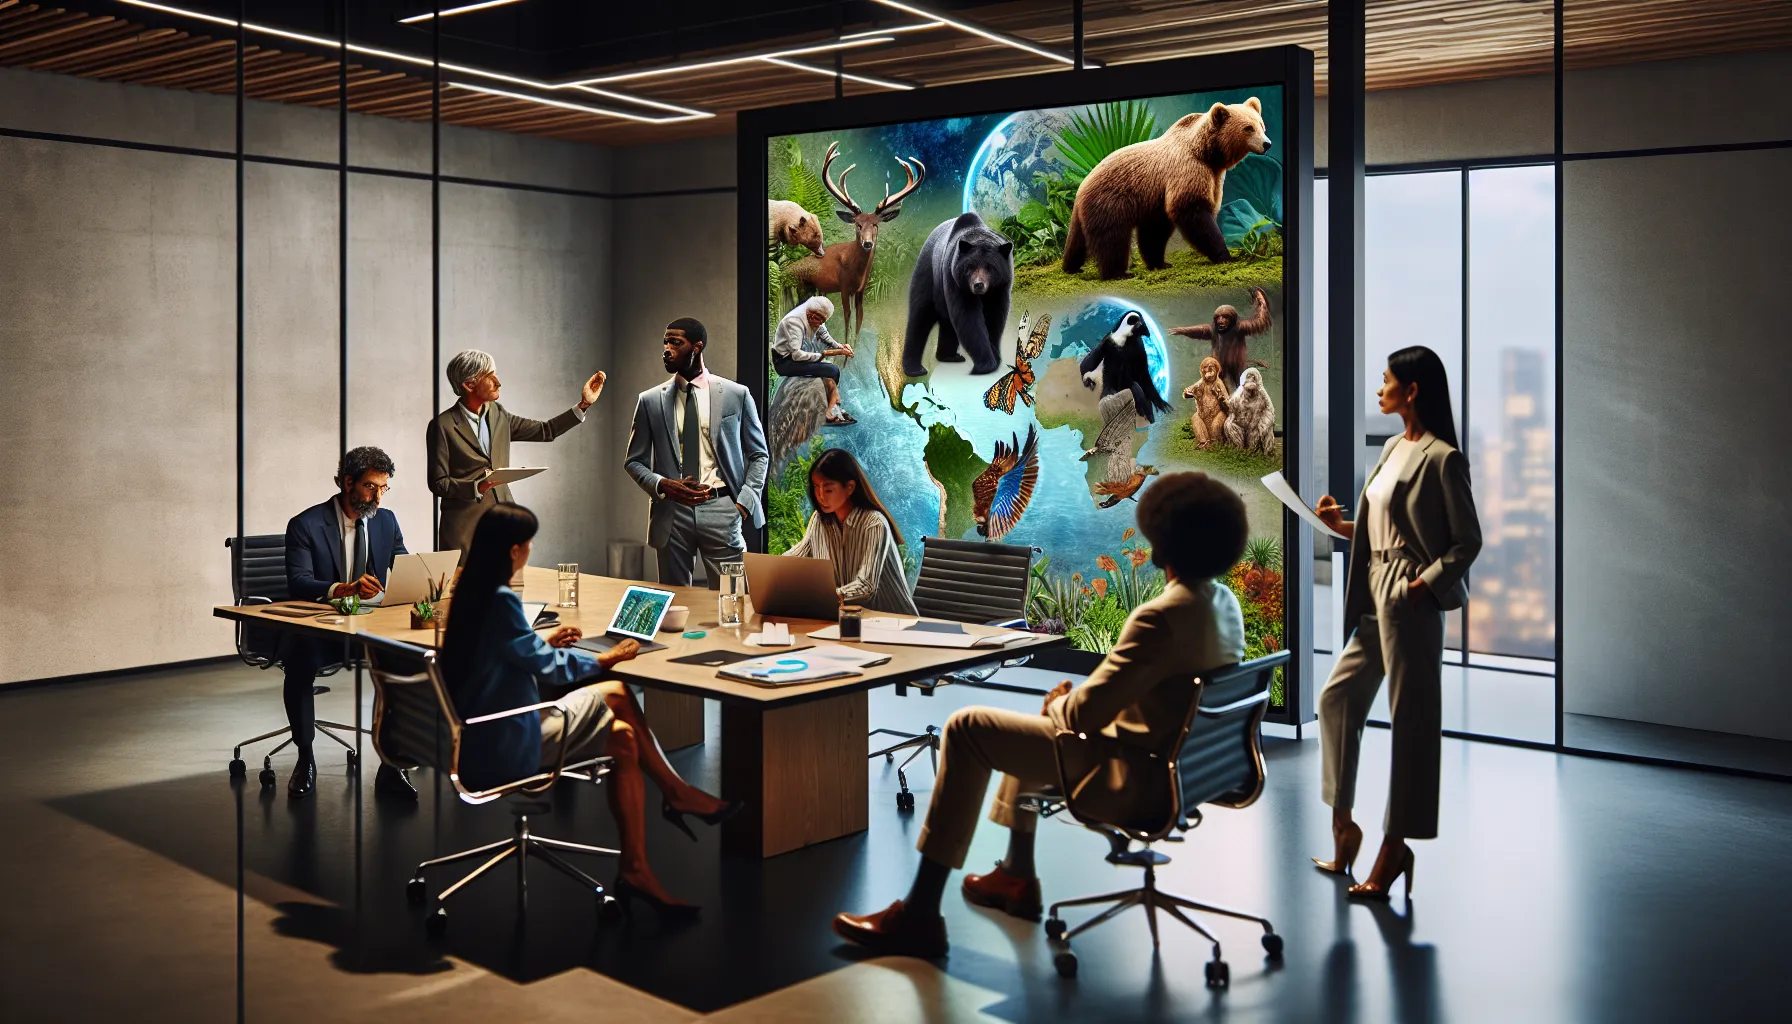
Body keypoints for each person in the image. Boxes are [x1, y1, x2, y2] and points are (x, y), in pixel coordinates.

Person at [831, 472, 1248, 957]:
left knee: (969, 727)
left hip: (1133, 776)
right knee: (1037, 726)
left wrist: (1060, 705)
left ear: (1163, 540)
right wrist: (1065, 708)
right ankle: (1016, 874)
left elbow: (1084, 717)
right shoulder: (1223, 605)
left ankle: (920, 914)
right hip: (1185, 768)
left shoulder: (1160, 617)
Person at [440, 503, 742, 914]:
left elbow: (501, 652)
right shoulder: (500, 601)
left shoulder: (470, 595)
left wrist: (540, 643)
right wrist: (605, 657)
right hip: (508, 740)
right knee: (615, 689)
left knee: (623, 738)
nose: (530, 550)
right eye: (528, 544)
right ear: (513, 550)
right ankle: (677, 794)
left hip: (475, 737)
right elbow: (551, 670)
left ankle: (638, 866)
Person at [1311, 345, 1482, 900]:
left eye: (1386, 380)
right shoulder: (1390, 448)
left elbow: (1467, 542)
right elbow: (1379, 525)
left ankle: (1395, 847)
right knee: (1336, 699)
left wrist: (1423, 585)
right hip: (1375, 584)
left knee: (1411, 723)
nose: (1378, 388)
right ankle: (1344, 827)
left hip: (1410, 594)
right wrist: (1340, 525)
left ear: (1411, 390)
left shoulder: (1443, 458)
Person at [283, 446, 414, 800]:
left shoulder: (386, 521)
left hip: (369, 626)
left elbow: (402, 566)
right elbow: (299, 582)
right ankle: (305, 757)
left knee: (408, 661)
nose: (378, 497)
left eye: (384, 488)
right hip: (323, 627)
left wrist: (430, 579)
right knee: (299, 661)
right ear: (347, 482)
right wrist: (344, 588)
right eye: (371, 487)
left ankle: (392, 765)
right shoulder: (305, 525)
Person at [624, 317, 771, 587]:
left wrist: (743, 503)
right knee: (675, 599)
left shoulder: (736, 394)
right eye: (665, 342)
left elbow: (759, 454)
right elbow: (634, 461)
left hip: (722, 508)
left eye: (675, 343)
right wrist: (662, 484)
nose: (667, 349)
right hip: (672, 513)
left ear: (697, 347)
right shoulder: (650, 401)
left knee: (732, 597)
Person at [427, 348, 607, 555]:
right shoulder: (443, 425)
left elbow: (545, 430)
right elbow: (438, 483)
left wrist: (584, 404)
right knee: (466, 578)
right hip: (464, 531)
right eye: (489, 376)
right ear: (469, 385)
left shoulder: (498, 414)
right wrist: (477, 486)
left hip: (504, 525)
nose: (498, 382)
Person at [785, 448, 916, 615]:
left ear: (849, 488)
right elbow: (795, 557)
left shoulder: (874, 523)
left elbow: (866, 586)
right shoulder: (820, 520)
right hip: (850, 617)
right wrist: (768, 572)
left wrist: (823, 597)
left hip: (893, 621)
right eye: (816, 487)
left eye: (828, 490)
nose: (820, 496)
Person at [773, 296, 856, 425]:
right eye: (817, 318)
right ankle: (828, 411)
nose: (818, 322)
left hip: (797, 357)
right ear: (810, 313)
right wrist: (822, 355)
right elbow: (796, 355)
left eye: (822, 320)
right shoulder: (793, 322)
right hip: (785, 361)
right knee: (832, 370)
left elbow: (824, 335)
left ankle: (831, 407)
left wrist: (841, 347)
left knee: (831, 372)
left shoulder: (816, 315)